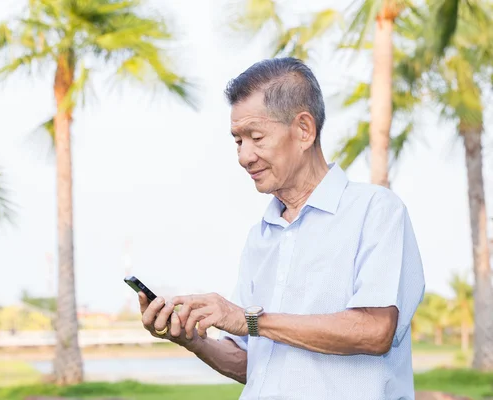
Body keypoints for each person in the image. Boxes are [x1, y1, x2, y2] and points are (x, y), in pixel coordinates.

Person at [138, 57, 425, 400]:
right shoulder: (260, 235)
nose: (244, 156)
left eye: (255, 137)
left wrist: (249, 320)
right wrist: (190, 339)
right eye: (237, 141)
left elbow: (374, 331)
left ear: (303, 130)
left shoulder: (376, 211)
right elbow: (252, 363)